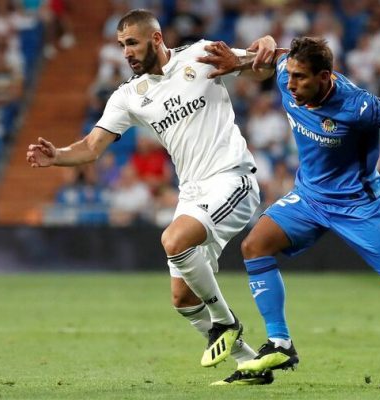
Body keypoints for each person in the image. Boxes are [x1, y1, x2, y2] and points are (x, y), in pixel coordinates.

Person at [199, 36, 380, 389]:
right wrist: (243, 61)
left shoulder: (359, 107)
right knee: (255, 246)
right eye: (291, 76)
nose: (291, 85)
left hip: (359, 205)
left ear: (325, 76)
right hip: (310, 198)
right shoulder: (285, 72)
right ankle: (281, 343)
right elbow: (277, 55)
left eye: (302, 78)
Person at [26, 9, 268, 386]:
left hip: (231, 178)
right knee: (183, 300)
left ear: (156, 39)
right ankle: (252, 365)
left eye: (133, 43)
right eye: (122, 45)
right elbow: (91, 147)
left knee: (172, 240)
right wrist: (57, 156)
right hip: (192, 192)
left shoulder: (200, 56)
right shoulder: (129, 97)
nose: (126, 52)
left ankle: (225, 321)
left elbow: (262, 68)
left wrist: (263, 50)